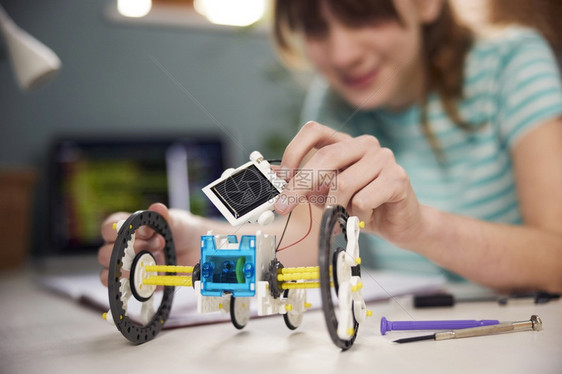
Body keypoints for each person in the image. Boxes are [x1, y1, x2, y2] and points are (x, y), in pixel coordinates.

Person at [98, 0, 562, 293]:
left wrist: (418, 226)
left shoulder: (513, 63)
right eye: (316, 27)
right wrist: (199, 246)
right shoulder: (334, 99)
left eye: (366, 12)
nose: (342, 54)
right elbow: (302, 234)